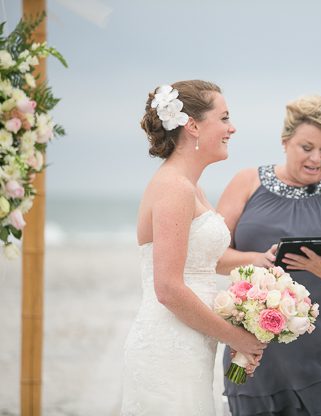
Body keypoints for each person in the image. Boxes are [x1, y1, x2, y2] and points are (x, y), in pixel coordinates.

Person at [216, 95, 321, 416]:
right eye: (307, 147)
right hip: (250, 347)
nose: (317, 158)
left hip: (319, 349)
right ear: (286, 142)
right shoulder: (246, 182)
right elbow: (213, 258)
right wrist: (256, 259)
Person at [121, 80, 266, 415]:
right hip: (168, 346)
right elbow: (169, 288)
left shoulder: (191, 187)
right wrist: (235, 336)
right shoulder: (175, 188)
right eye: (225, 118)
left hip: (191, 342)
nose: (233, 128)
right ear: (193, 126)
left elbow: (200, 264)